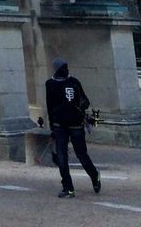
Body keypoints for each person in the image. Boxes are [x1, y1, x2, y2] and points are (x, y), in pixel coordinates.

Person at [45, 57, 100, 198]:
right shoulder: (50, 84)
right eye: (64, 67)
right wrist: (51, 128)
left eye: (67, 66)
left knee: (82, 155)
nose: (67, 69)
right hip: (59, 125)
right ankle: (68, 187)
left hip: (76, 124)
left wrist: (82, 105)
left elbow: (85, 100)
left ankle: (94, 175)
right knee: (62, 158)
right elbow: (49, 107)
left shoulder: (74, 82)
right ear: (58, 68)